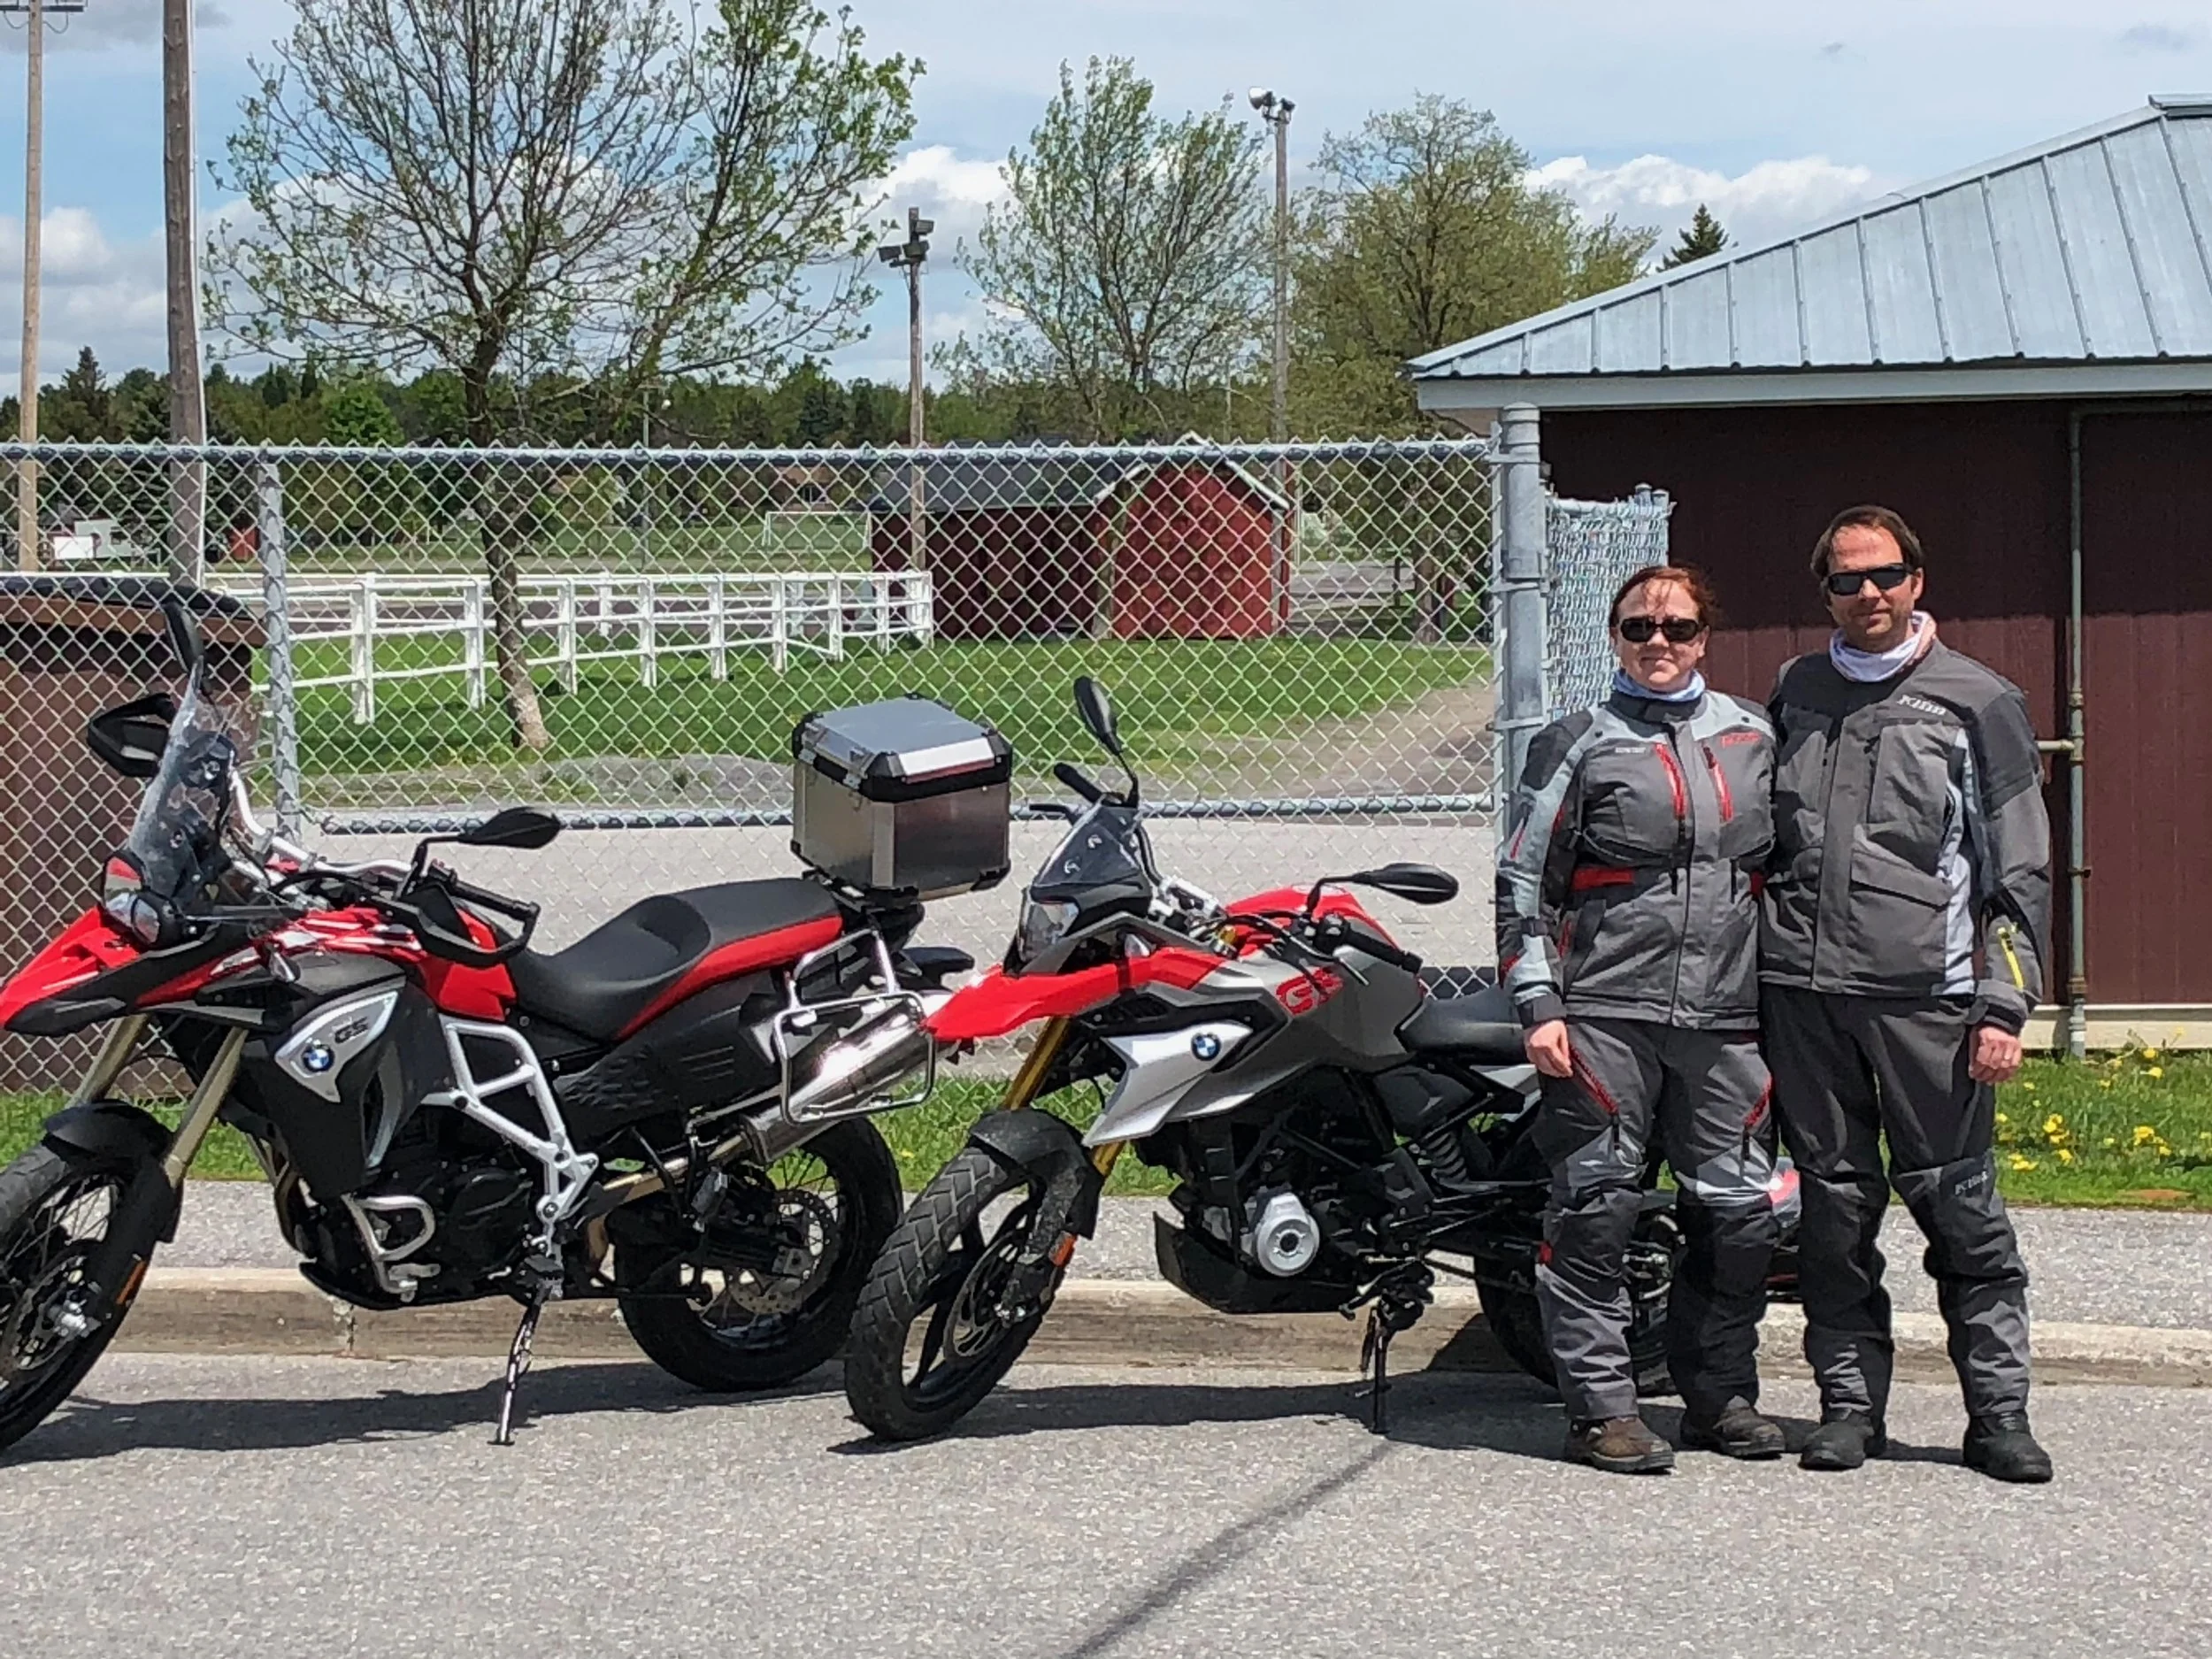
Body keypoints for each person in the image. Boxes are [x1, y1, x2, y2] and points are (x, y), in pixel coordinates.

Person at [1762, 504, 2054, 1484]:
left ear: (1916, 580)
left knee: (1959, 1212)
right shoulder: (1796, 690)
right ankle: (1849, 1407)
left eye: (1884, 574)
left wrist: (2005, 1005)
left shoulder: (1979, 701)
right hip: (1805, 999)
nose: (1867, 594)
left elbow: (2019, 871)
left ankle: (1997, 1415)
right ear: (1826, 594)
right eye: (1846, 580)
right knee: (1834, 1217)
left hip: (1930, 1001)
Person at [1495, 565, 1783, 1473]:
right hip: (1604, 1016)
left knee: (1738, 1217)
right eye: (1638, 629)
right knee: (1596, 1209)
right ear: (1614, 636)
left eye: (1679, 629)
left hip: (1727, 1019)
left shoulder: (1751, 735)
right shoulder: (1575, 742)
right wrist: (1538, 1003)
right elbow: (1520, 884)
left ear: (1706, 636)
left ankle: (1720, 1396)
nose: (1658, 644)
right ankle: (1601, 1411)